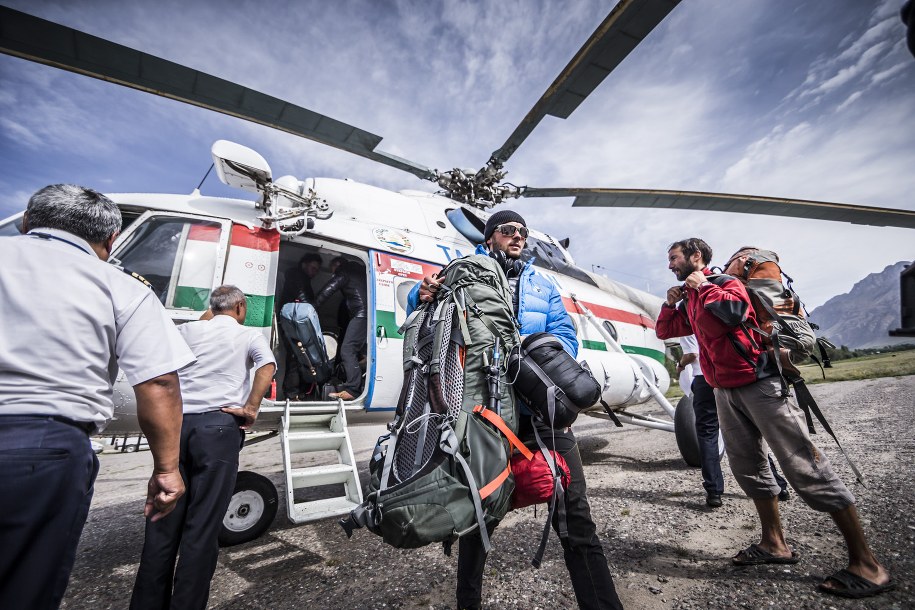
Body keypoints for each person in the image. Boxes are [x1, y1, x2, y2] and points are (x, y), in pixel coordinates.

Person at [408, 210, 623, 610]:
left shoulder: (542, 283)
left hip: (542, 410)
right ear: (490, 237)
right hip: (485, 416)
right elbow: (425, 317)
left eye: (522, 232)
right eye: (508, 230)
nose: (518, 236)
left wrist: (538, 365)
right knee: (480, 516)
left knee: (576, 519)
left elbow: (564, 334)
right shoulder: (461, 272)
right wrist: (418, 296)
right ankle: (468, 602)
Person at [656, 238, 893, 599]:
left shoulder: (723, 284)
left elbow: (734, 313)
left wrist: (703, 286)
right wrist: (670, 302)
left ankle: (868, 564)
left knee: (803, 464)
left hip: (760, 384)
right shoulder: (691, 297)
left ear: (696, 257)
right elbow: (665, 331)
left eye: (674, 258)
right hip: (725, 390)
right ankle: (774, 543)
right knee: (748, 468)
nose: (670, 265)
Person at [0, 184, 194, 610]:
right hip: (42, 448)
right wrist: (167, 468)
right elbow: (159, 382)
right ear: (110, 240)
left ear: (27, 222)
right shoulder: (121, 286)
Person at [131, 285, 276, 610]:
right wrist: (251, 408)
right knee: (202, 527)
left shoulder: (187, 331)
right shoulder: (249, 335)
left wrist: (208, 316)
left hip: (177, 426)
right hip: (217, 429)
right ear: (240, 307)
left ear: (212, 308)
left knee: (161, 524)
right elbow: (266, 366)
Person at [677, 335, 789, 508]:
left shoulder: (689, 322)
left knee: (708, 435)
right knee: (750, 430)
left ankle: (714, 491)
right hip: (731, 375)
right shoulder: (720, 319)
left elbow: (692, 354)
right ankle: (778, 485)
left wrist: (680, 365)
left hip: (704, 378)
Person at [314, 256, 367, 401]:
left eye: (333, 269)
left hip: (361, 314)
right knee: (354, 350)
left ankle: (353, 389)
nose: (333, 273)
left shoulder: (344, 271)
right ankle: (355, 382)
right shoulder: (359, 270)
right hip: (365, 315)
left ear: (337, 264)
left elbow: (328, 289)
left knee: (347, 349)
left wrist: (312, 306)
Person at [279, 252, 323, 399]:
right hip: (292, 323)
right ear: (304, 264)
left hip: (293, 322)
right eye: (313, 268)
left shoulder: (301, 277)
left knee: (297, 357)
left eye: (317, 270)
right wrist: (312, 308)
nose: (315, 272)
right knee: (295, 357)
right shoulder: (297, 276)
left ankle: (296, 392)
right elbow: (304, 301)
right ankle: (292, 393)